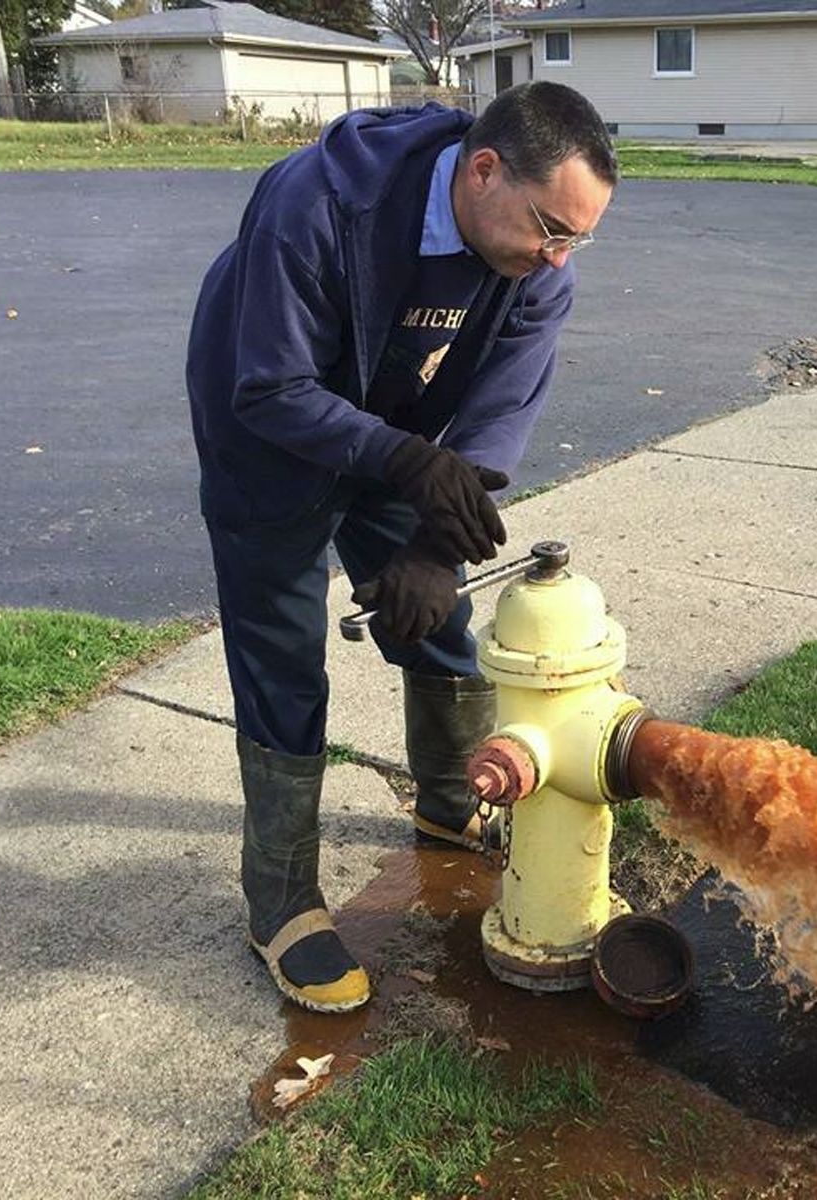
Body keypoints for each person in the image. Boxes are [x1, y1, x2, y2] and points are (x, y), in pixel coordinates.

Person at [185, 82, 618, 1014]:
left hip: (396, 422)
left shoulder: (540, 269)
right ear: (484, 170)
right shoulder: (318, 203)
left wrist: (432, 542)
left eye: (577, 238)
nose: (556, 257)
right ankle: (282, 903)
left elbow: (500, 410)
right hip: (264, 425)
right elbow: (270, 386)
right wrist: (405, 460)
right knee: (285, 657)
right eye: (550, 227)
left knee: (440, 619)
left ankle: (451, 799)